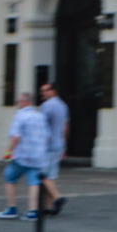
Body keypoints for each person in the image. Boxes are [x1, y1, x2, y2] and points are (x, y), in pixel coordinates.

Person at [0, 92, 49, 221]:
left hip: (23, 156)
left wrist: (8, 151)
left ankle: (11, 208)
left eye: (19, 101)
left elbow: (15, 136)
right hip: (37, 156)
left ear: (25, 102)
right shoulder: (40, 116)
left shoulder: (20, 116)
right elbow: (47, 136)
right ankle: (33, 211)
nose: (17, 104)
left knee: (9, 176)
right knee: (34, 182)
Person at [39, 81, 69, 215]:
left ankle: (57, 198)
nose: (43, 93)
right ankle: (48, 206)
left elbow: (42, 127)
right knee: (50, 176)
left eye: (46, 90)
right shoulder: (63, 105)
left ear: (54, 91)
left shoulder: (46, 106)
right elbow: (65, 126)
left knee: (43, 176)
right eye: (42, 91)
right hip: (58, 144)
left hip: (47, 146)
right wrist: (64, 144)